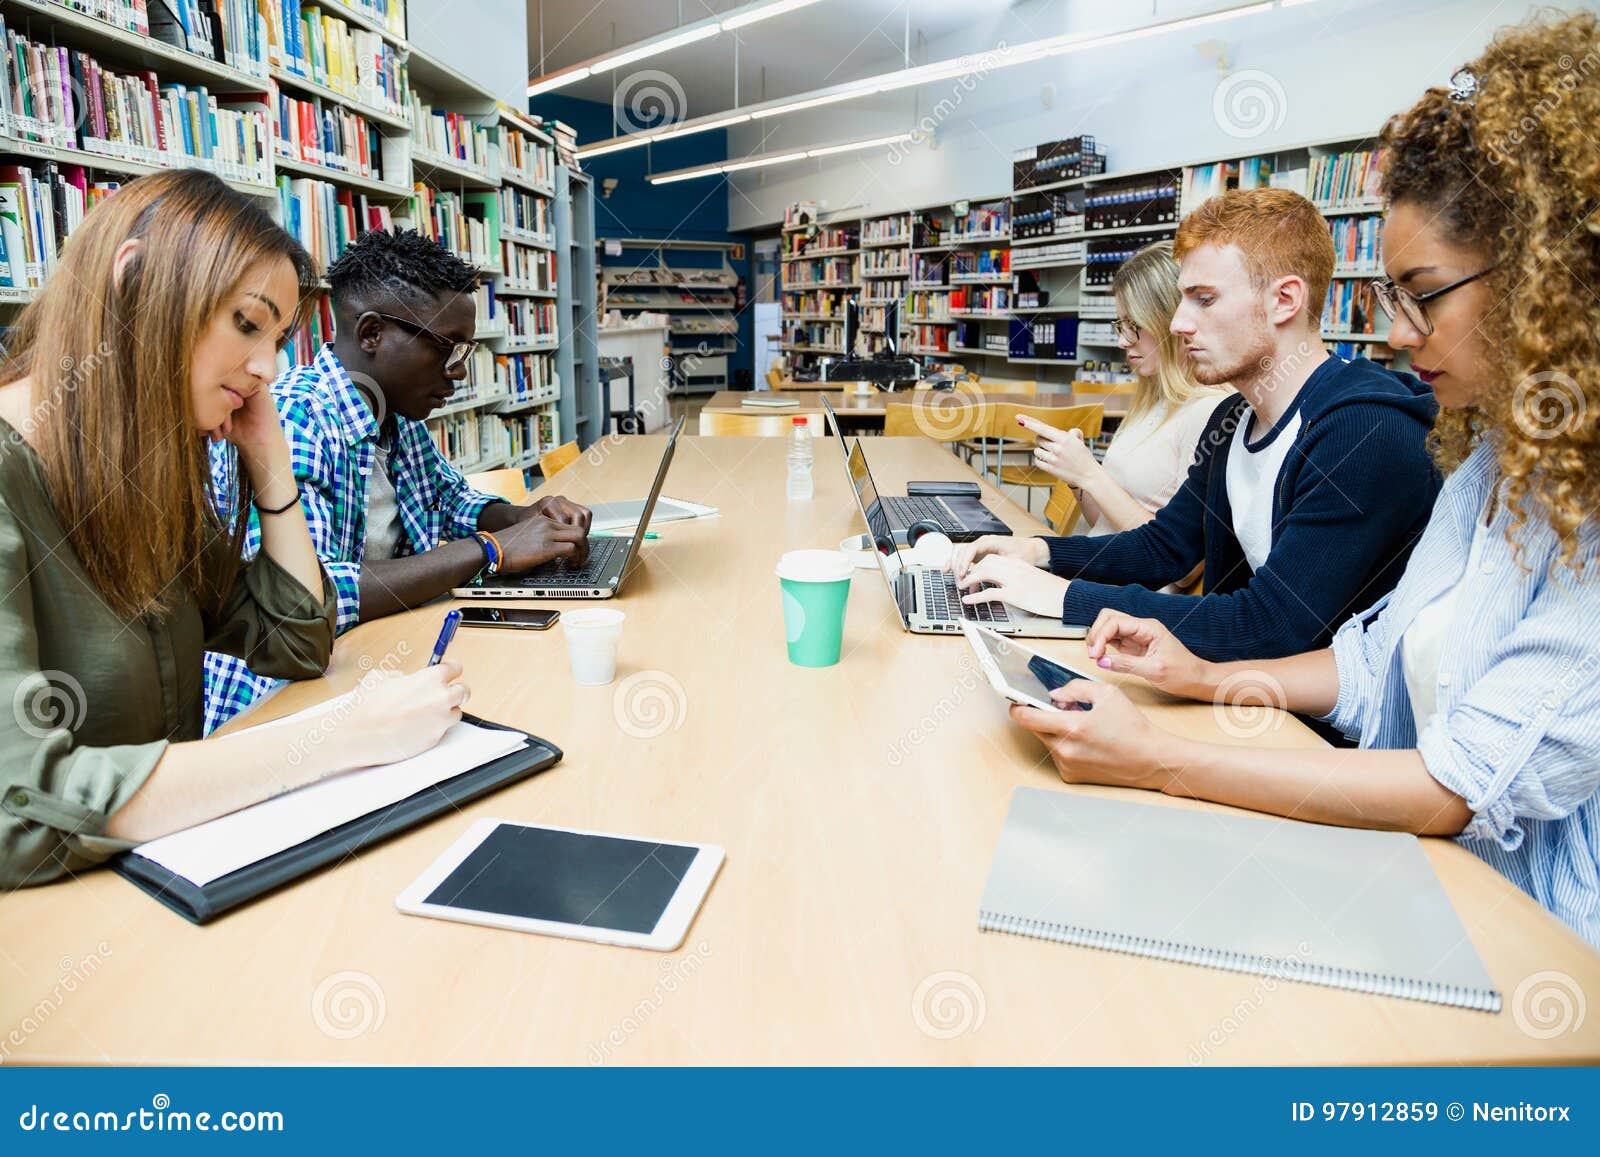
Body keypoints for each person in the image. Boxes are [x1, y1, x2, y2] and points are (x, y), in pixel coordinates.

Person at [1010, 10, 1600, 948]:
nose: (1399, 333)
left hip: (1537, 944)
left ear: (1548, 277)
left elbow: (1457, 782)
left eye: (1423, 293)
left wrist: (1158, 757)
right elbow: (1367, 667)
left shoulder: (1403, 440)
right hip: (1424, 881)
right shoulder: (1488, 462)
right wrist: (1197, 671)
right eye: (1388, 299)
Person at [0, 171, 467, 888]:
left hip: (170, 877)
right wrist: (336, 737)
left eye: (279, 338)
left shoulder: (148, 467)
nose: (267, 367)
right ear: (132, 286)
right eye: (248, 324)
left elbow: (295, 639)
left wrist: (271, 469)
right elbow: (21, 806)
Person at [952, 187, 1441, 662]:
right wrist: (1037, 553)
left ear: (1285, 300)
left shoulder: (1363, 432)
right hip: (1245, 697)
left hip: (1323, 734)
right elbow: (1166, 547)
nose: (1178, 323)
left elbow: (1272, 626)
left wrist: (1062, 597)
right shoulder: (1234, 418)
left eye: (1203, 299)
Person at [204, 228, 592, 732]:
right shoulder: (296, 419)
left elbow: (453, 499)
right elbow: (318, 597)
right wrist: (493, 548)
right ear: (372, 334)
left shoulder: (399, 416)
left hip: (373, 659)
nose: (457, 374)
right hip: (279, 705)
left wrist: (526, 519)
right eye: (447, 349)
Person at [1025, 241, 1230, 545]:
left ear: (1169, 320)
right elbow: (1103, 523)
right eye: (1119, 325)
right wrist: (1075, 477)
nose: (1122, 341)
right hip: (1102, 569)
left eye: (1133, 325)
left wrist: (1089, 474)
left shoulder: (1209, 412)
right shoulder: (1150, 402)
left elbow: (1181, 564)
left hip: (1132, 588)